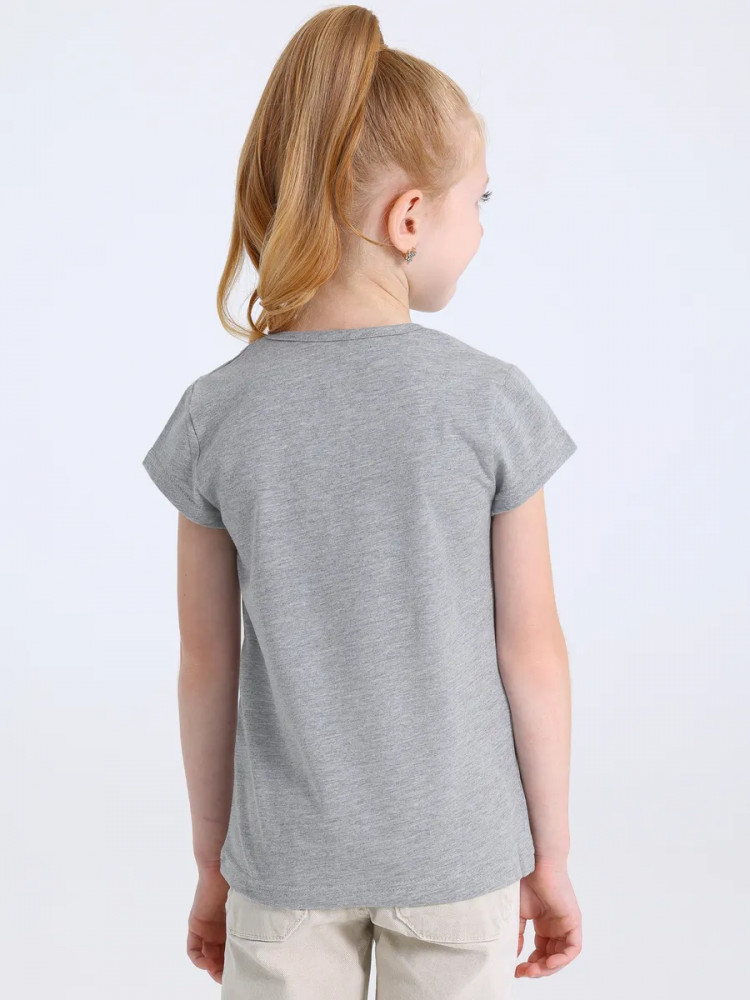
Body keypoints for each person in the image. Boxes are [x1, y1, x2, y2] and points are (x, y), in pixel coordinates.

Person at [141, 6, 583, 998]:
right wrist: (549, 856)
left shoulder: (219, 414)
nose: (483, 227)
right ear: (410, 217)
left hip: (284, 866)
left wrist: (213, 866)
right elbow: (532, 651)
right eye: (479, 199)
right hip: (461, 856)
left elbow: (207, 665)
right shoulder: (490, 402)